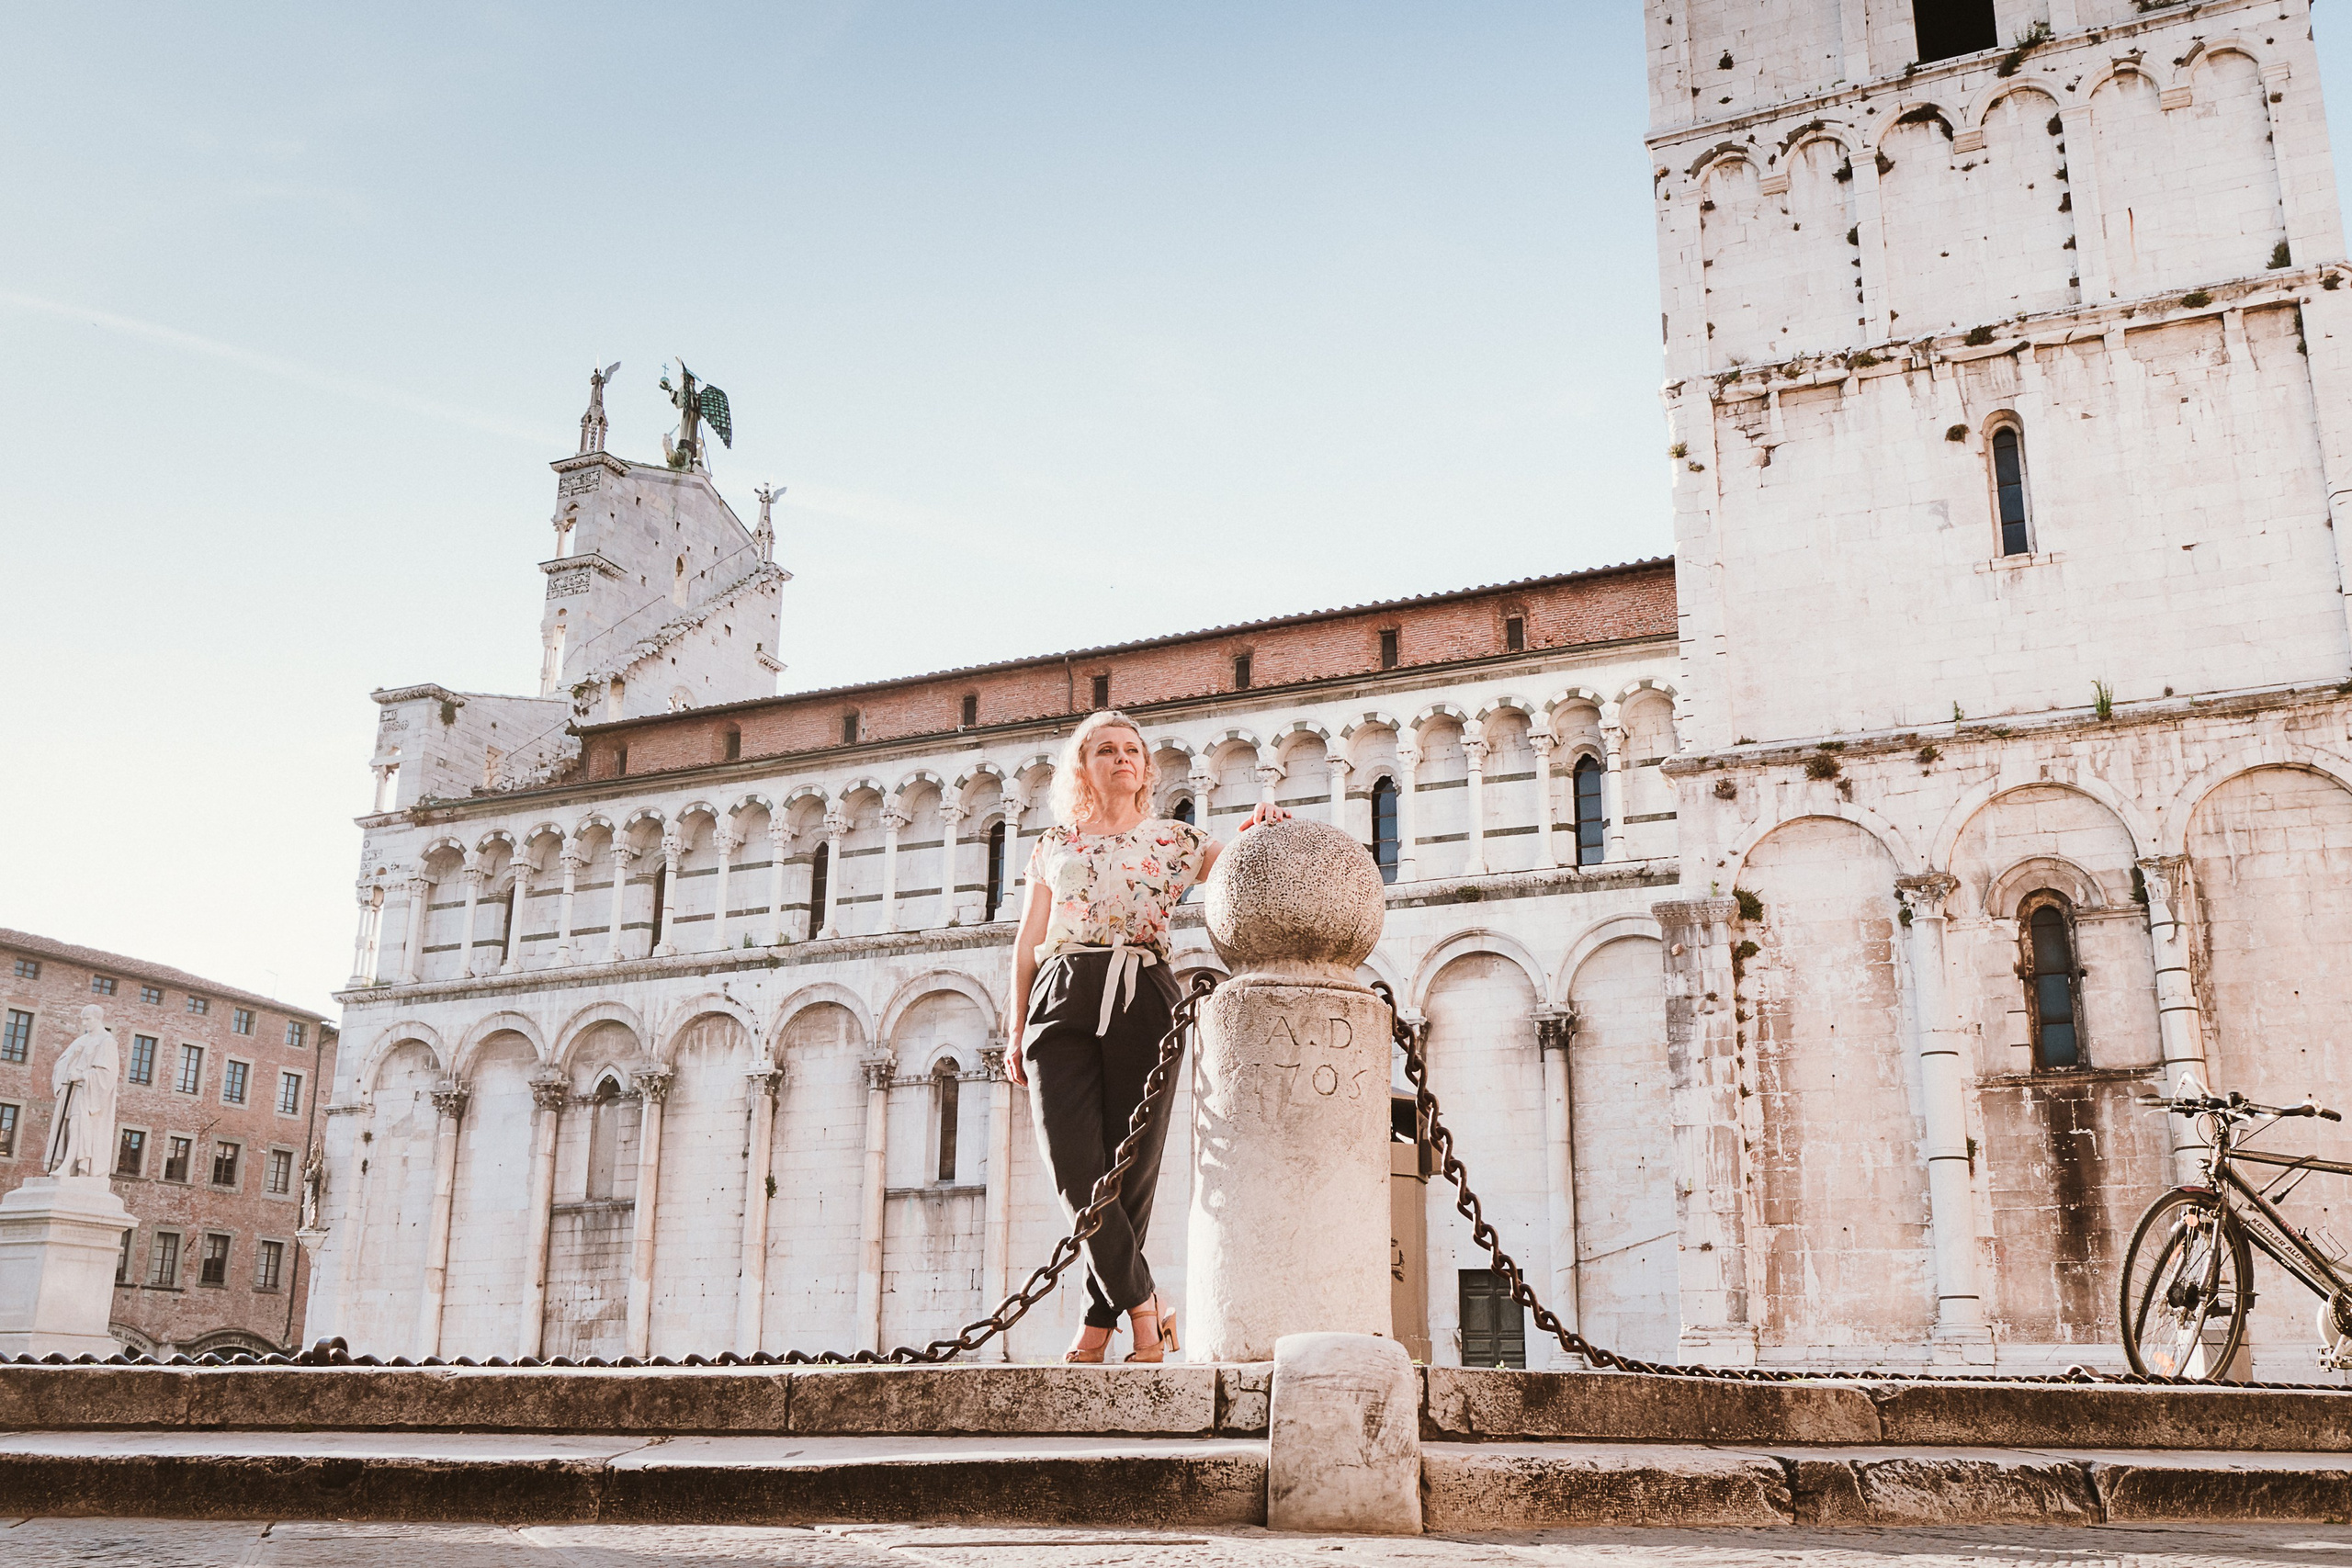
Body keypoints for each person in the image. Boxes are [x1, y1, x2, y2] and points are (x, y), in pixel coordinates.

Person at [1007, 709, 1288, 1362]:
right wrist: (1013, 1024)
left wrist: (1261, 823)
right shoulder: (1053, 843)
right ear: (1085, 766)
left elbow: (1236, 864)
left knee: (1128, 1170)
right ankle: (1149, 1307)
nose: (1121, 758)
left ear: (1145, 768)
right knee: (1074, 1168)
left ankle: (1097, 1327)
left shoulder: (1175, 839)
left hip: (1143, 994)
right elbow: (1027, 940)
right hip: (1061, 991)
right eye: (1105, 749)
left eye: (1132, 749)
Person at [48, 1006, 120, 1179]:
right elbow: (62, 1062)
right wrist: (71, 1062)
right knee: (68, 1127)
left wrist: (82, 1075)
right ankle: (67, 1164)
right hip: (72, 1092)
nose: (85, 1023)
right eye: (83, 1019)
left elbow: (108, 1074)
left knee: (77, 1126)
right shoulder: (81, 1040)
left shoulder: (107, 1041)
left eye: (88, 1019)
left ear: (98, 1018)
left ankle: (68, 1167)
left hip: (87, 1093)